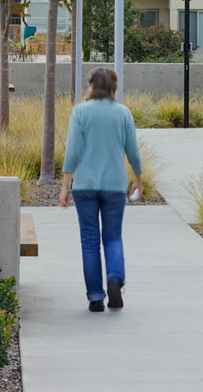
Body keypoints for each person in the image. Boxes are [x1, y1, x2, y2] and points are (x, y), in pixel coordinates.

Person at [57, 67, 142, 313]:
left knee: (90, 241)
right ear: (114, 86)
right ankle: (115, 278)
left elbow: (72, 152)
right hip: (115, 186)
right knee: (113, 237)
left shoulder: (80, 112)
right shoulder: (123, 113)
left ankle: (95, 297)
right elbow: (133, 152)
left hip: (84, 186)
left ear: (92, 85)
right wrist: (138, 180)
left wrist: (64, 186)